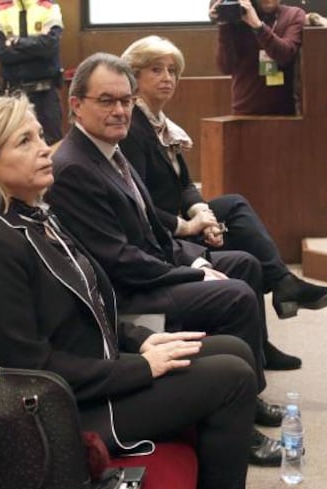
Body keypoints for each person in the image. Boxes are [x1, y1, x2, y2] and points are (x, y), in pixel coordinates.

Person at [0, 94, 258, 489]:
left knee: (234, 349)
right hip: (69, 407)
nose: (44, 147)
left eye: (39, 135)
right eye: (23, 142)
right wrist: (139, 367)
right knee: (232, 376)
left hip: (99, 370)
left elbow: (94, 305)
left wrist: (141, 340)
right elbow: (32, 370)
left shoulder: (37, 217)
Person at [46, 52, 285, 467]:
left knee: (243, 264)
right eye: (107, 100)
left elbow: (153, 232)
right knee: (236, 295)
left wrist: (194, 263)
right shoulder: (74, 168)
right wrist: (190, 273)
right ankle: (241, 426)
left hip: (148, 269)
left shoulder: (112, 150)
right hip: (128, 295)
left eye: (125, 100)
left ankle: (250, 393)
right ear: (76, 104)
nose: (120, 110)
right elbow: (118, 260)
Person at [119, 35, 327, 370]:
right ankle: (283, 288)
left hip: (179, 218)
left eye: (173, 71)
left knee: (233, 207)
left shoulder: (160, 124)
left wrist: (203, 212)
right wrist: (188, 225)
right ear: (134, 77)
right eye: (156, 70)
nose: (168, 77)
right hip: (160, 231)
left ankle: (278, 298)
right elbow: (139, 205)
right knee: (243, 247)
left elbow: (185, 185)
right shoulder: (131, 128)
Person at [209, 0, 306, 115]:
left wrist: (257, 25)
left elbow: (285, 55)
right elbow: (226, 67)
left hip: (284, 114)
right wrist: (224, 22)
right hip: (244, 112)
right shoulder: (239, 16)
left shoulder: (293, 15)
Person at [0, 0, 64, 145]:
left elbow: (48, 47)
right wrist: (35, 48)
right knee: (13, 146)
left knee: (52, 149)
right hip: (12, 95)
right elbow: (2, 53)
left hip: (45, 96)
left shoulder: (50, 8)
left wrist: (16, 43)